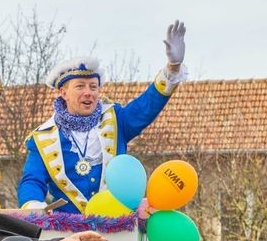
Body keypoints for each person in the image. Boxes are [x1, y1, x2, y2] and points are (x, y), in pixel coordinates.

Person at [17, 22, 187, 213]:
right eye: (80, 86)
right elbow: (32, 180)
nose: (88, 92)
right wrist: (33, 206)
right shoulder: (42, 138)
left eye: (93, 86)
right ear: (63, 93)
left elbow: (145, 106)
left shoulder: (116, 120)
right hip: (69, 232)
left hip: (118, 225)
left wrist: (172, 69)